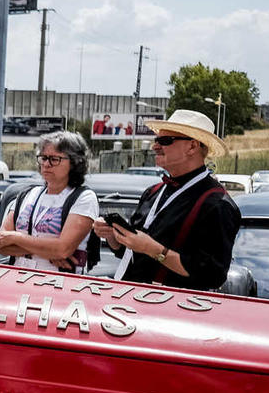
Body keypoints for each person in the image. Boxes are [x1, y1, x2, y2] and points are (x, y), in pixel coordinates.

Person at [94, 108, 238, 290]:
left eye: (165, 141)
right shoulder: (153, 192)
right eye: (157, 140)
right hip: (130, 300)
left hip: (173, 311)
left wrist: (154, 250)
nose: (155, 146)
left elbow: (211, 276)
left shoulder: (217, 204)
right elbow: (131, 253)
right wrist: (114, 236)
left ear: (192, 146)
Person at [0, 130, 98, 271]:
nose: (46, 164)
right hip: (18, 282)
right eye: (43, 158)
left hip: (59, 285)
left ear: (74, 162)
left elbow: (62, 249)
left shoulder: (83, 198)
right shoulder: (27, 194)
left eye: (55, 159)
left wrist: (16, 238)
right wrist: (47, 251)